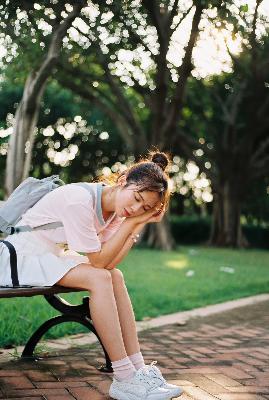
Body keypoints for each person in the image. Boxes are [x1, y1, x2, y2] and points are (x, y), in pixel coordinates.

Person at [0, 150, 182, 400]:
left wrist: (134, 224)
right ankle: (124, 377)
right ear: (122, 181)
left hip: (49, 255)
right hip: (19, 256)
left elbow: (110, 264)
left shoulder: (118, 213)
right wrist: (133, 223)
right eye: (137, 197)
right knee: (99, 278)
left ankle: (139, 370)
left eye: (145, 208)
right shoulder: (80, 200)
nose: (136, 208)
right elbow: (98, 262)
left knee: (114, 276)